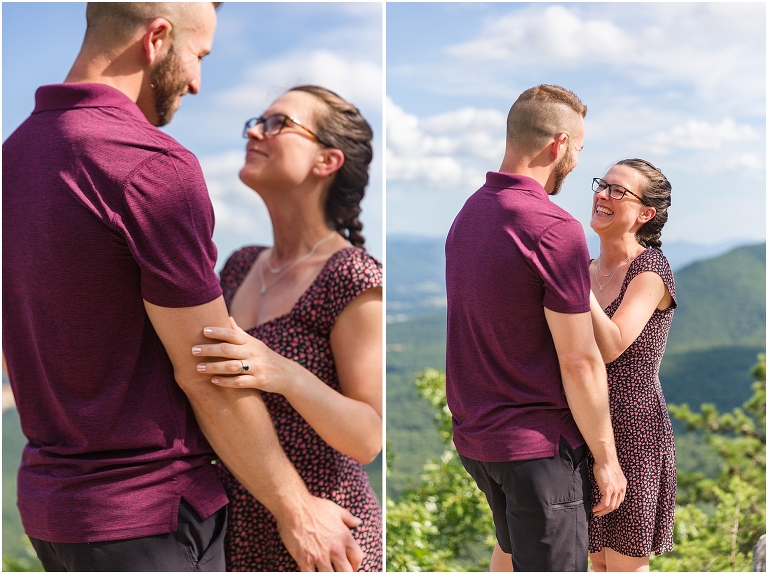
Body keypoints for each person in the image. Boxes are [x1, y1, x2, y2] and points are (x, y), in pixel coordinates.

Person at [2, 4, 362, 571]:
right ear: (158, 38)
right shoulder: (146, 163)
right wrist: (295, 507)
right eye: (198, 56)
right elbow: (205, 368)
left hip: (56, 513)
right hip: (148, 518)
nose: (196, 82)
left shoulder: (15, 155)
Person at [190, 85, 383, 571]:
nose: (254, 130)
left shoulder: (353, 276)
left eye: (278, 123)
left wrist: (284, 373)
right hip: (234, 534)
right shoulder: (237, 265)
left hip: (327, 539)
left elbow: (369, 435)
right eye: (257, 120)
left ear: (327, 161)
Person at [444, 84, 627, 572]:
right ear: (559, 145)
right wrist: (606, 459)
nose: (575, 162)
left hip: (480, 442)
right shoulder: (553, 227)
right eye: (579, 149)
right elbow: (579, 358)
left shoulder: (469, 214)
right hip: (540, 450)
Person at [586, 159, 676, 572]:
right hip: (587, 427)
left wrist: (568, 281)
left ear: (645, 214)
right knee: (592, 559)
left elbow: (612, 345)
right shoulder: (586, 270)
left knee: (623, 564)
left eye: (618, 191)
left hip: (635, 432)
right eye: (602, 185)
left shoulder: (651, 270)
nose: (603, 194)